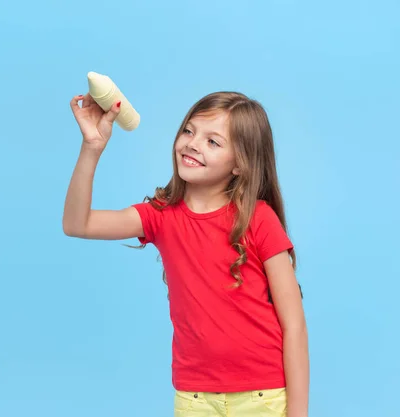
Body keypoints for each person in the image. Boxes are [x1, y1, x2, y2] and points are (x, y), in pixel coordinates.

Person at [63, 91, 309, 417]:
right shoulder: (160, 215)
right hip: (195, 398)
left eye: (213, 141)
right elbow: (77, 224)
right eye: (189, 131)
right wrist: (91, 148)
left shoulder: (259, 218)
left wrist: (299, 413)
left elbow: (294, 326)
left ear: (240, 164)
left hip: (263, 396)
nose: (192, 144)